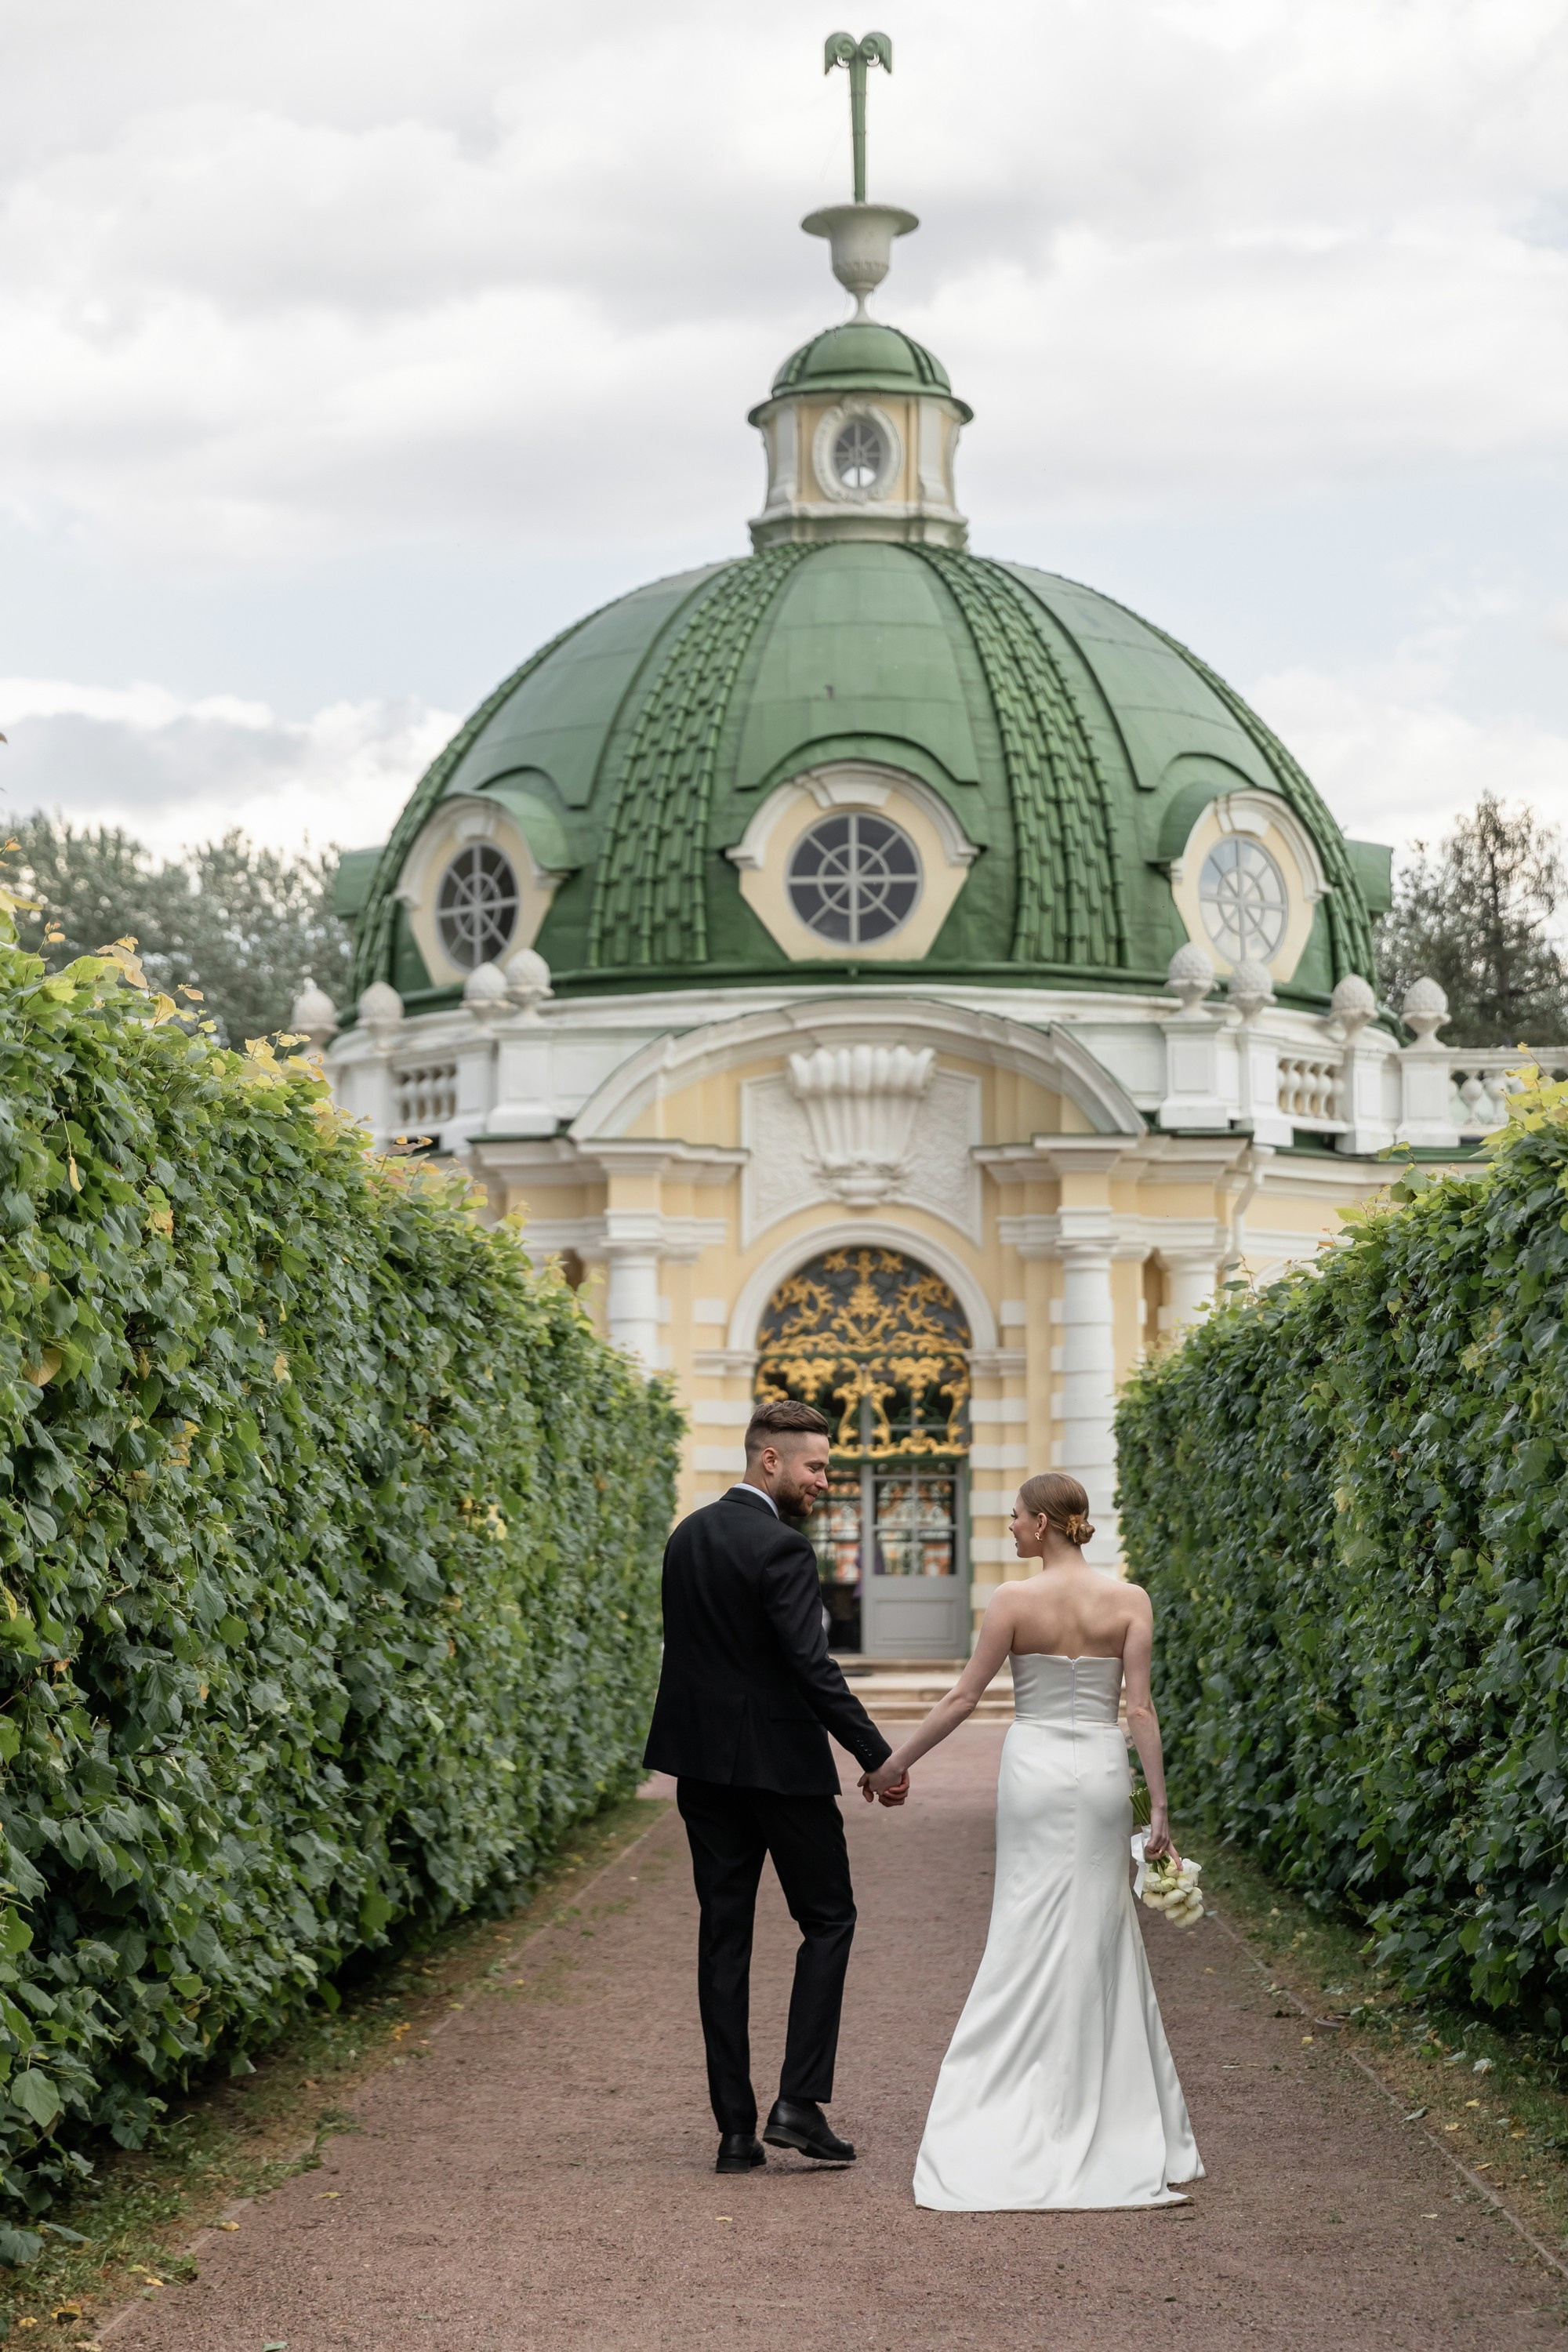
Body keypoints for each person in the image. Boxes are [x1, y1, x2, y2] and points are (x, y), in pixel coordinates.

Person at [859, 1470, 1203, 2211]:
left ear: (1044, 1523)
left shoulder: (1014, 1601)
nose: (1009, 1526)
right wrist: (1162, 1813)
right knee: (1100, 1935)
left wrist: (892, 1763)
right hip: (1105, 1773)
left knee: (1023, 1927)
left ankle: (1008, 2099)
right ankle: (1106, 2110)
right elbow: (1138, 1711)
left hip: (1036, 1773)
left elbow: (963, 1698)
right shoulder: (1130, 1601)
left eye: (1015, 1517)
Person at [643, 1398, 910, 2176]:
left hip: (703, 1772)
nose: (824, 1481)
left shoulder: (685, 1536)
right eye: (816, 1466)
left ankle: (735, 2133)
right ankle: (797, 2101)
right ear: (770, 1460)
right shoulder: (783, 1549)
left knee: (722, 1938)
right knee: (829, 1918)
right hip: (782, 1773)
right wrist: (875, 1754)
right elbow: (810, 1667)